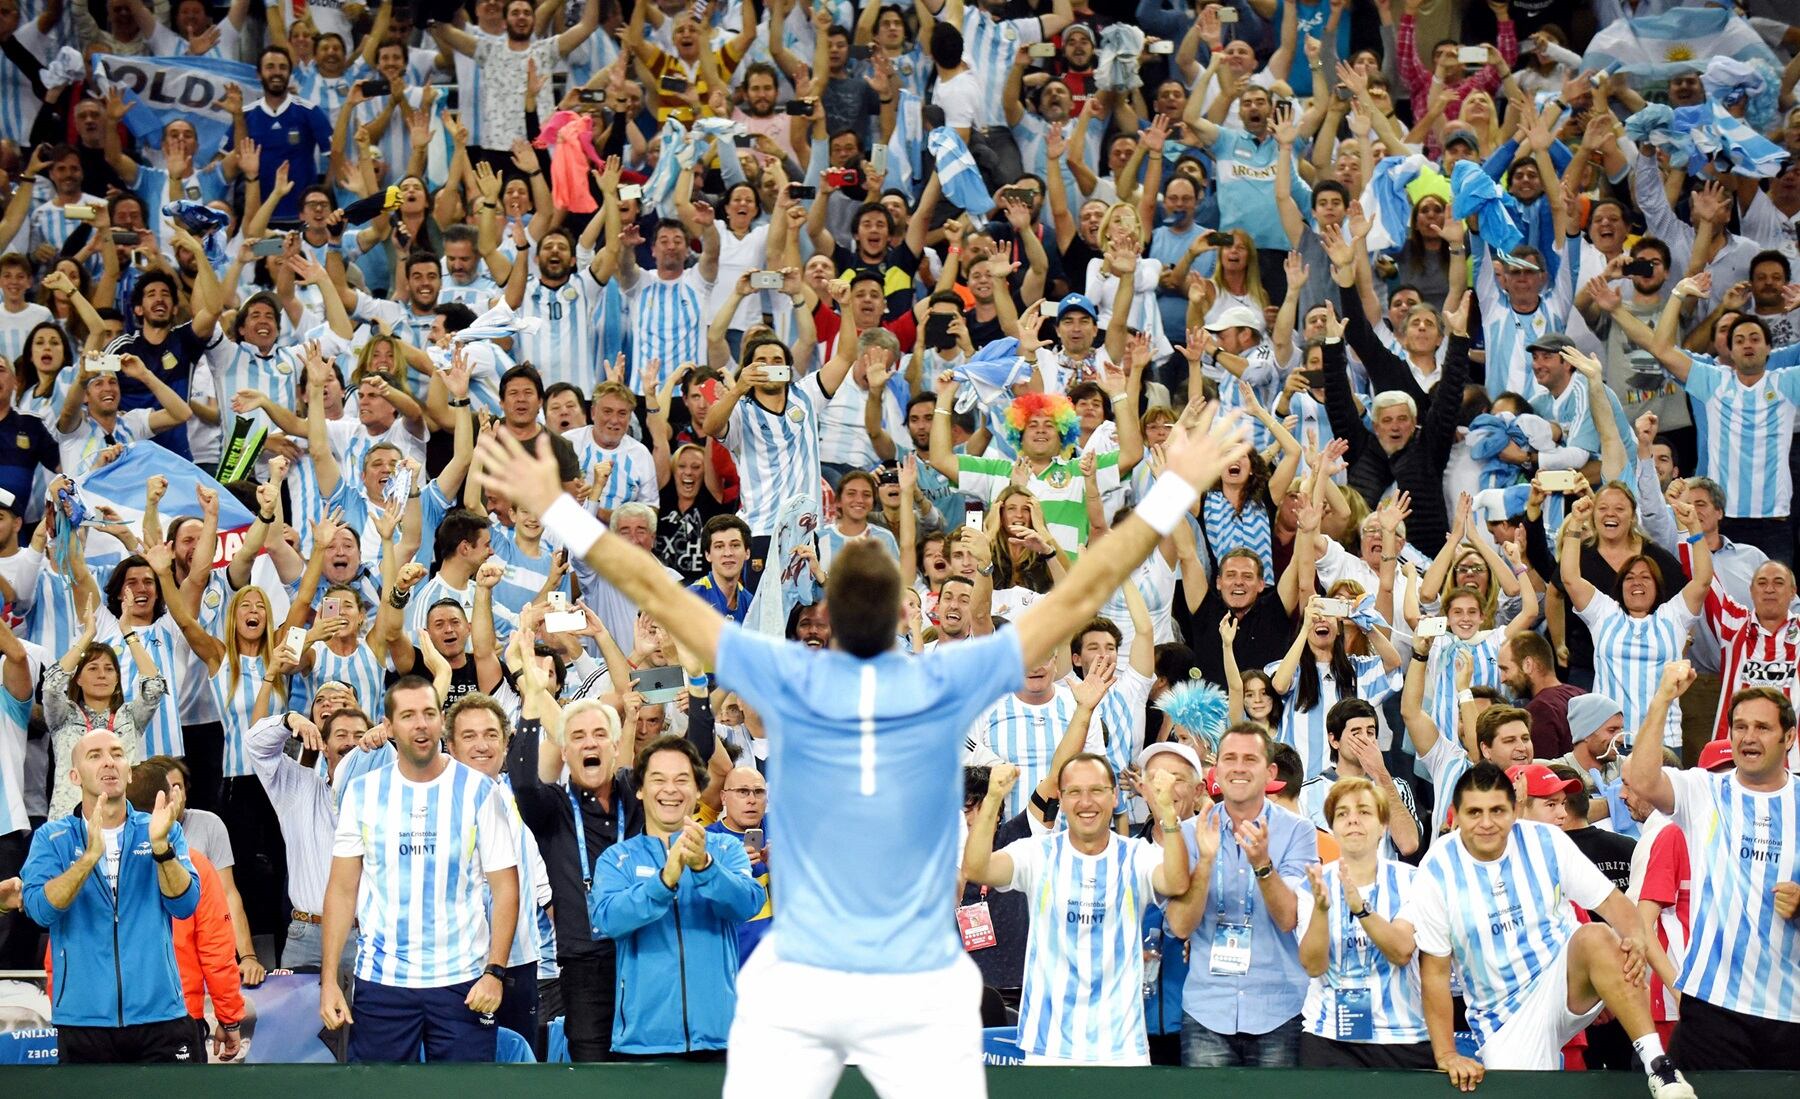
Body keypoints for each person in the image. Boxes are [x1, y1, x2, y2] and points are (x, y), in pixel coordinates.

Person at [468, 399, 1251, 1095]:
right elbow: (1084, 591)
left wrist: (556, 507)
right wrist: (1175, 483)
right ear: (899, 615)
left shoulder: (789, 677)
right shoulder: (946, 678)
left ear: (827, 622)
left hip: (802, 980)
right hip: (917, 984)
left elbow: (657, 588)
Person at [1404, 762, 1694, 1094]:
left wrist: (1638, 941)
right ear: (1456, 813)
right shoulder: (1437, 868)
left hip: (1562, 976)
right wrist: (1446, 1054)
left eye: (1497, 810)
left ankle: (1659, 1066)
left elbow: (1614, 904)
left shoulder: (1547, 840)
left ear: (1515, 809)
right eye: (1474, 812)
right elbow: (1435, 973)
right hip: (1504, 1015)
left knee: (1597, 935)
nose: (1486, 823)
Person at [318, 676, 520, 1062]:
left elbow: (506, 887)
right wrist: (329, 982)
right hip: (383, 983)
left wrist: (495, 972)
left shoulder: (479, 791)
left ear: (441, 722)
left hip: (464, 982)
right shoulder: (363, 793)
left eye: (428, 713)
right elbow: (342, 891)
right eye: (408, 715)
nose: (421, 724)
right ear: (389, 727)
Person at [1625, 663, 1800, 1071]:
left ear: (1789, 737)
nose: (1748, 737)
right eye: (1739, 727)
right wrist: (1663, 699)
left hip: (1790, 1009)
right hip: (1712, 1002)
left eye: (1762, 728)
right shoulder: (1704, 788)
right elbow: (1643, 777)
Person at [961, 755, 1188, 1065]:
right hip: (1048, 1045)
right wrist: (992, 800)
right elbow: (977, 868)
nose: (1086, 802)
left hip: (1120, 1047)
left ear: (1114, 795)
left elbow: (1176, 882)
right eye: (1074, 792)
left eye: (1096, 790)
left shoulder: (1137, 855)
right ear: (1063, 800)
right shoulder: (1037, 853)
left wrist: (1167, 814)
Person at [19, 730, 199, 1063]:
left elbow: (185, 905)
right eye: (95, 755)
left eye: (117, 753)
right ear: (74, 776)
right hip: (83, 1022)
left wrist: (161, 849)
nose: (109, 762)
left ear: (130, 772)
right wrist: (87, 859)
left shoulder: (161, 828)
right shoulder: (51, 838)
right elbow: (40, 911)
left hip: (160, 1016)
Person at [591, 734, 764, 1060]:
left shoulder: (726, 850)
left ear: (698, 790)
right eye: (658, 780)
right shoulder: (617, 859)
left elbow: (747, 903)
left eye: (682, 780)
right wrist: (664, 880)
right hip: (642, 1043)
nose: (670, 789)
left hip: (720, 1040)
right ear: (640, 789)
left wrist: (706, 867)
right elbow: (608, 920)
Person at [1164, 723, 1318, 1067]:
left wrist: (1263, 864)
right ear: (1216, 768)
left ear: (1270, 772)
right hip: (1207, 1008)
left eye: (1250, 759)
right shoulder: (1189, 833)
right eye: (1230, 758)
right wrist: (1204, 862)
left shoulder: (1299, 831)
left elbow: (1289, 918)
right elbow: (1179, 928)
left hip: (1279, 1007)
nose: (1238, 767)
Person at [1297, 777, 1431, 1069]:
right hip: (1329, 1035)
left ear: (1384, 826)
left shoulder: (1412, 881)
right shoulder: (1313, 885)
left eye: (1364, 812)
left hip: (1403, 1037)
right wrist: (1321, 911)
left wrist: (1360, 908)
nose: (1352, 820)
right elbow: (1313, 965)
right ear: (1332, 828)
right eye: (1342, 814)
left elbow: (1401, 951)